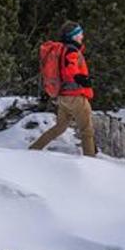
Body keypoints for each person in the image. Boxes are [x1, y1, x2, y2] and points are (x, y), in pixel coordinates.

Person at [29, 21, 96, 156]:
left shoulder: (62, 49)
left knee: (59, 127)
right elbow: (70, 67)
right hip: (76, 96)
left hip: (63, 97)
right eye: (80, 33)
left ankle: (33, 150)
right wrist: (81, 79)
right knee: (87, 131)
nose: (82, 36)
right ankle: (91, 162)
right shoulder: (71, 50)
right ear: (74, 36)